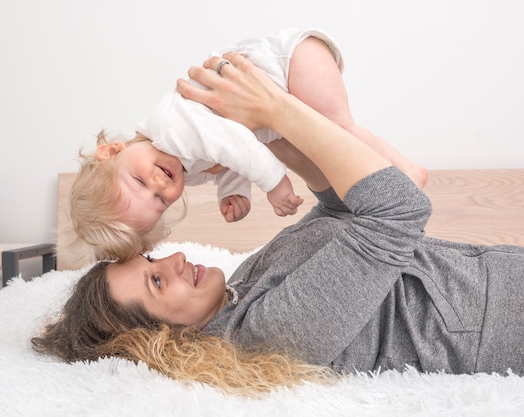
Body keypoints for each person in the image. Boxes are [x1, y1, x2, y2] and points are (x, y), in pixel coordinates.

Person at [32, 53, 524, 397]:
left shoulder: (242, 287)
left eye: (156, 259)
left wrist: (264, 136)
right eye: (157, 281)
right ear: (162, 339)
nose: (177, 259)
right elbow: (399, 211)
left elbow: (340, 213)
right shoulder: (268, 334)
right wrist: (277, 109)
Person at [62, 28, 428, 266]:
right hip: (287, 78)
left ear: (112, 151)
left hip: (289, 64)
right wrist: (234, 192)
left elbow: (235, 144)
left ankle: (405, 169)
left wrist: (275, 184)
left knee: (338, 130)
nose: (160, 188)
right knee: (331, 133)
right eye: (159, 202)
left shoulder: (170, 129)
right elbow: (227, 155)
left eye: (140, 184)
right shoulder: (182, 163)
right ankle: (400, 172)